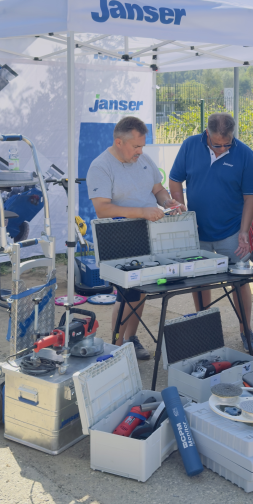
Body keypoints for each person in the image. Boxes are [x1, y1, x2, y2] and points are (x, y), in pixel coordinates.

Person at [86, 116, 184, 359]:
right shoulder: (100, 166)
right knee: (126, 293)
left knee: (140, 291)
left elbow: (158, 189)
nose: (140, 151)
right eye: (136, 146)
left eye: (142, 146)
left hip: (148, 235)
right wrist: (142, 212)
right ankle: (117, 348)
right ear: (119, 142)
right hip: (118, 237)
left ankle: (131, 339)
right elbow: (102, 209)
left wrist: (167, 202)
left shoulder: (143, 160)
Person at [169, 112, 253, 351]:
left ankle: (245, 329)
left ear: (233, 135)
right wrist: (182, 210)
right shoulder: (190, 145)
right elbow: (175, 179)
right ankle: (205, 329)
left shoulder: (246, 154)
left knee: (240, 281)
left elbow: (251, 197)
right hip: (198, 232)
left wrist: (244, 231)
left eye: (227, 144)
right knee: (200, 282)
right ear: (206, 134)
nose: (221, 149)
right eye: (216, 144)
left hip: (232, 232)